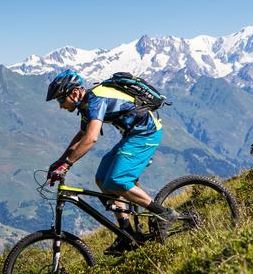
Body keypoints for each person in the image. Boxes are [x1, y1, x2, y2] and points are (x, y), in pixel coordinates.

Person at [45, 69, 177, 254]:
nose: (60, 106)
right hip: (132, 135)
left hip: (146, 134)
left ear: (74, 93)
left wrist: (67, 164)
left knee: (117, 180)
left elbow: (91, 139)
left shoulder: (95, 100)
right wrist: (60, 161)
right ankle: (127, 234)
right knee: (101, 179)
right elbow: (81, 135)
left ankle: (164, 214)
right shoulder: (86, 104)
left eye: (60, 100)